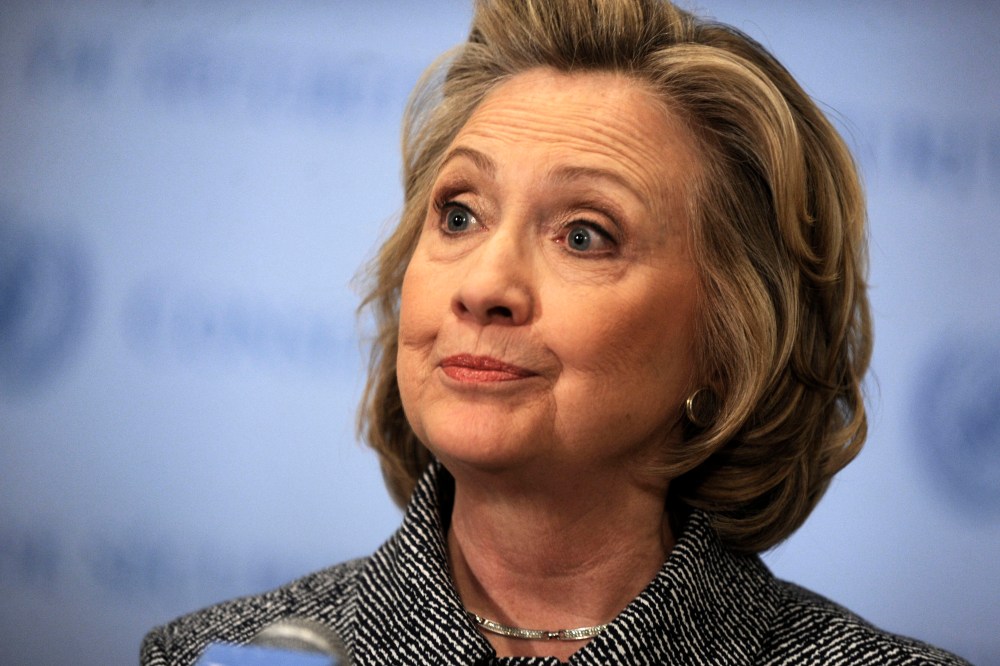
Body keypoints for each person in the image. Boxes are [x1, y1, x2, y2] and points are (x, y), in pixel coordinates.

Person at [142, 1, 971, 664]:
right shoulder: (214, 655)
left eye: (584, 234)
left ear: (730, 345)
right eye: (459, 214)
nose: (484, 287)